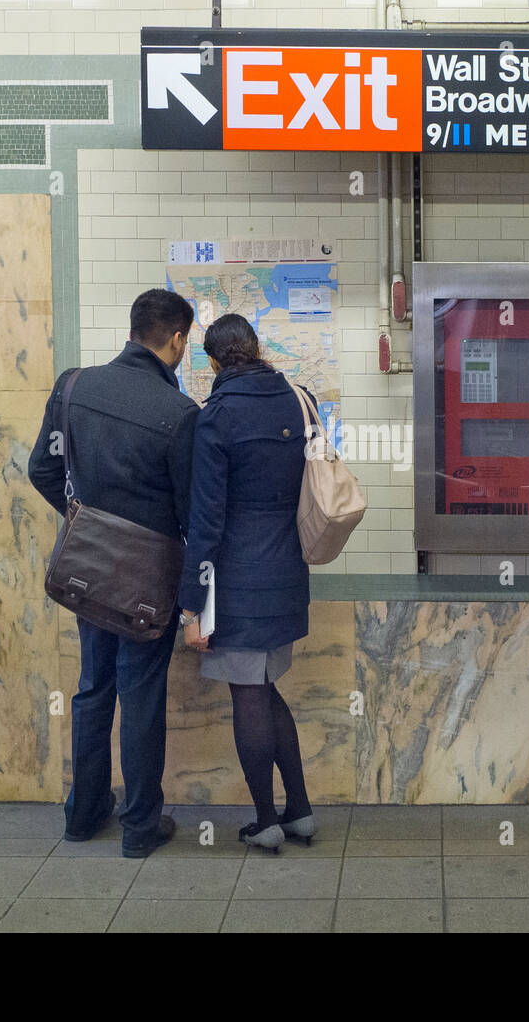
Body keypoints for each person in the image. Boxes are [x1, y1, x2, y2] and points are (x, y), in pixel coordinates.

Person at [29, 289, 198, 859]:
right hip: (147, 584)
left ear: (132, 330)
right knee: (141, 696)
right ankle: (139, 828)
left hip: (87, 572)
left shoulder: (74, 386)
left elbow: (42, 469)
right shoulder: (180, 414)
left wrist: (88, 527)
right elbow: (189, 511)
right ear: (177, 339)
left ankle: (83, 816)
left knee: (93, 688)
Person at [177, 314, 316, 852]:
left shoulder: (215, 417)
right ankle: (299, 811)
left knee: (249, 693)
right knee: (266, 685)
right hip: (287, 570)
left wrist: (192, 605)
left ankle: (266, 821)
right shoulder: (299, 401)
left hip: (237, 578)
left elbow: (206, 521)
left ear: (213, 363)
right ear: (256, 349)